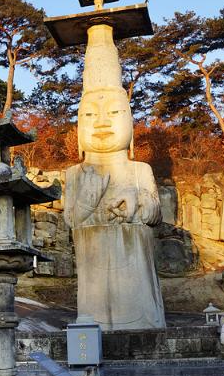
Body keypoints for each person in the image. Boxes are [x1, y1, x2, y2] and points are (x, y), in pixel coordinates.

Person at [63, 86, 166, 330]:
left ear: (130, 123)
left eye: (114, 112)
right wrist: (90, 196)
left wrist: (138, 200)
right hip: (93, 268)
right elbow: (71, 219)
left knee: (143, 323)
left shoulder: (140, 170)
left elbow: (155, 213)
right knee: (91, 323)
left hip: (134, 264)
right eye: (89, 115)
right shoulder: (74, 174)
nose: (101, 122)